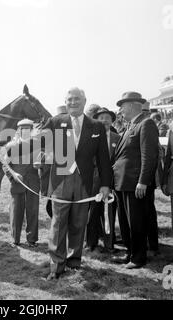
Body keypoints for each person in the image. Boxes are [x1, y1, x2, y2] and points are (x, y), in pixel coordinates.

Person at [36, 87, 112, 280]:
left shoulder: (96, 127)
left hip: (85, 183)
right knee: (58, 223)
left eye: (76, 99)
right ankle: (56, 265)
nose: (72, 102)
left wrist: (105, 185)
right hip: (61, 181)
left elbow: (103, 159)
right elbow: (38, 142)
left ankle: (74, 261)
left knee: (79, 223)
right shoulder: (55, 122)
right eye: (69, 99)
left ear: (85, 101)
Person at [112, 92, 159, 269]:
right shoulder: (130, 125)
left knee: (137, 222)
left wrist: (143, 181)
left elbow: (149, 156)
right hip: (123, 182)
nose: (120, 110)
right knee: (125, 222)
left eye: (122, 106)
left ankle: (138, 257)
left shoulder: (146, 124)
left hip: (135, 184)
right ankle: (130, 252)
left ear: (131, 105)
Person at [1, 119, 40, 248]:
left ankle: (32, 239)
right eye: (23, 129)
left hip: (33, 182)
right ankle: (15, 239)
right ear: (19, 131)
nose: (26, 131)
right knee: (16, 210)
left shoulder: (37, 145)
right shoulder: (12, 146)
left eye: (29, 129)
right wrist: (13, 175)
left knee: (33, 210)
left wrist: (41, 165)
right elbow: (5, 164)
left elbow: (44, 160)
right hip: (18, 182)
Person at [86, 108, 120, 252]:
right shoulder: (90, 137)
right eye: (101, 118)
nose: (104, 120)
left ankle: (109, 243)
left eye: (107, 117)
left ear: (112, 121)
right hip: (94, 179)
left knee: (110, 211)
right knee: (92, 212)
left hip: (113, 180)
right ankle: (90, 243)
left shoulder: (117, 138)